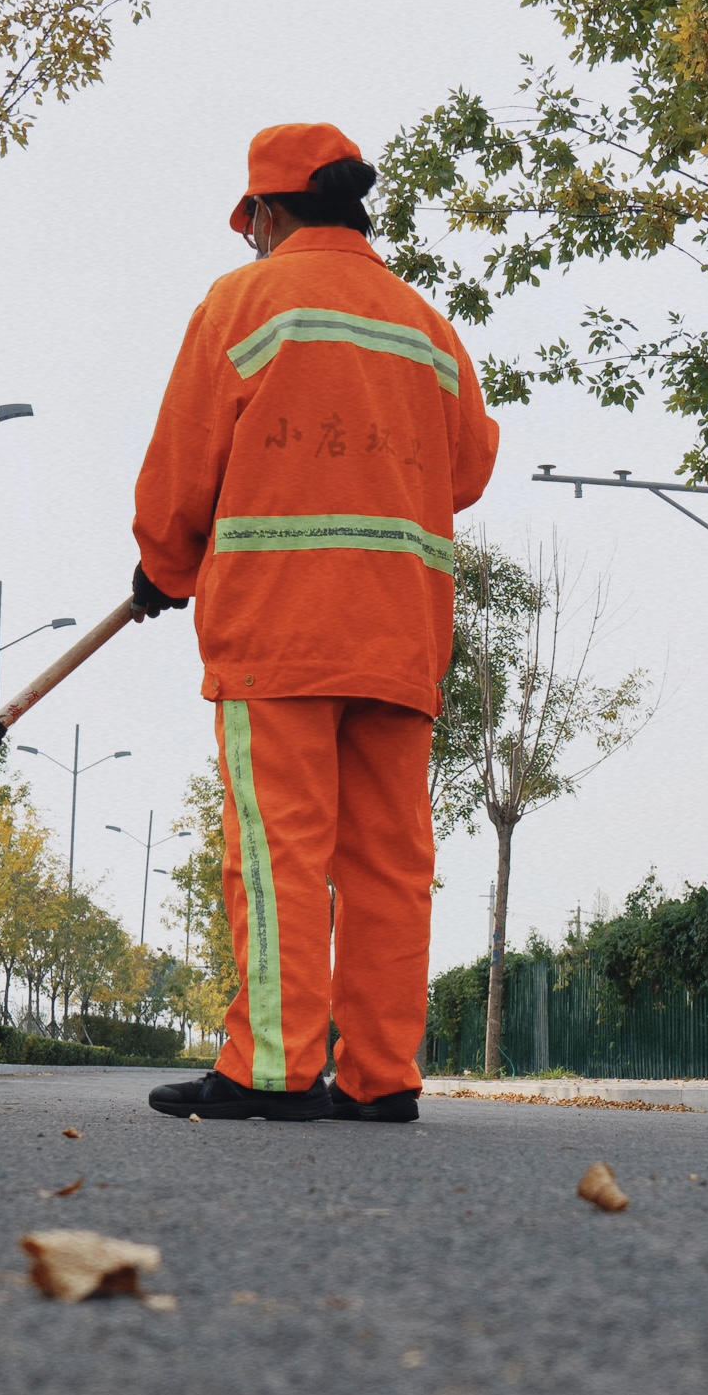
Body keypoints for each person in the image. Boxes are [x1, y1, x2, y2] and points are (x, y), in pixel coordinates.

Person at [129, 123, 501, 1123]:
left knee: (280, 846)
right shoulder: (424, 325)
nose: (250, 237)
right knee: (390, 860)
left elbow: (182, 464)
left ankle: (275, 1070)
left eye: (253, 220)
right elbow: (467, 467)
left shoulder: (243, 303)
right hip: (400, 633)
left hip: (280, 631)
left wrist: (164, 566)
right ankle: (382, 1078)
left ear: (274, 210)